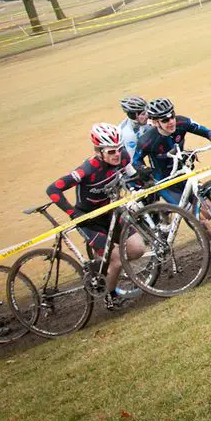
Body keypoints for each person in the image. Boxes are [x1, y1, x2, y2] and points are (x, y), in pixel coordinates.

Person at [45, 124, 145, 311]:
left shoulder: (123, 157)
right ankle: (110, 296)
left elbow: (133, 175)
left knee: (138, 249)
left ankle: (104, 268)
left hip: (110, 214)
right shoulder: (88, 169)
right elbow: (53, 189)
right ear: (100, 152)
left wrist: (142, 180)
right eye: (111, 151)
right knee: (116, 260)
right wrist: (72, 213)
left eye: (119, 148)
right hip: (89, 220)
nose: (117, 154)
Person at [132, 98, 211, 248]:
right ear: (155, 122)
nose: (171, 121)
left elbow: (205, 130)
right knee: (196, 217)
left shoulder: (181, 123)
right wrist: (143, 169)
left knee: (209, 213)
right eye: (165, 120)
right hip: (166, 183)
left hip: (185, 174)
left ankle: (165, 210)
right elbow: (135, 161)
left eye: (172, 115)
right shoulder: (147, 140)